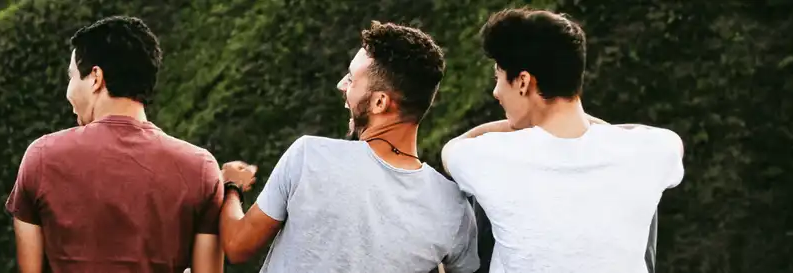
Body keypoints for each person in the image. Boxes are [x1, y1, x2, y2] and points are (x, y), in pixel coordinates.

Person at [219, 21, 480, 273]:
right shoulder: (453, 207)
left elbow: (237, 247)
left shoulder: (309, 156)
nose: (341, 86)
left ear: (380, 102)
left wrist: (232, 187)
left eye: (352, 80)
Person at [441, 8, 685, 273]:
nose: (496, 92)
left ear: (523, 82)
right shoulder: (646, 152)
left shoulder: (491, 155)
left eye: (498, 77)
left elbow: (451, 149)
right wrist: (588, 122)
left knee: (482, 202)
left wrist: (515, 126)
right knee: (641, 195)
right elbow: (670, 143)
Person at [6, 16, 224, 273]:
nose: (68, 92)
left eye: (71, 77)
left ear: (96, 77)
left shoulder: (42, 156)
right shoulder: (200, 168)